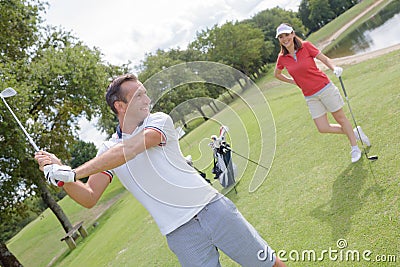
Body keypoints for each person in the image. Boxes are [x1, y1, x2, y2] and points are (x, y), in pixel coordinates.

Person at [35, 74, 286, 267]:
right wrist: (59, 174)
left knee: (268, 264)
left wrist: (73, 172)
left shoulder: (159, 121)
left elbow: (130, 149)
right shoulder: (107, 149)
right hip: (179, 233)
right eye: (139, 96)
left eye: (146, 93)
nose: (147, 100)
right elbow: (89, 197)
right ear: (120, 106)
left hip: (213, 210)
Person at [273, 23, 370, 163]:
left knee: (340, 119)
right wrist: (294, 82)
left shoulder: (305, 46)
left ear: (293, 34)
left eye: (286, 35)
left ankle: (355, 147)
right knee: (322, 127)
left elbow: (324, 59)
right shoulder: (282, 57)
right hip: (310, 96)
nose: (284, 39)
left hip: (325, 88)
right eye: (281, 37)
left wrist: (334, 67)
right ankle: (354, 133)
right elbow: (277, 74)